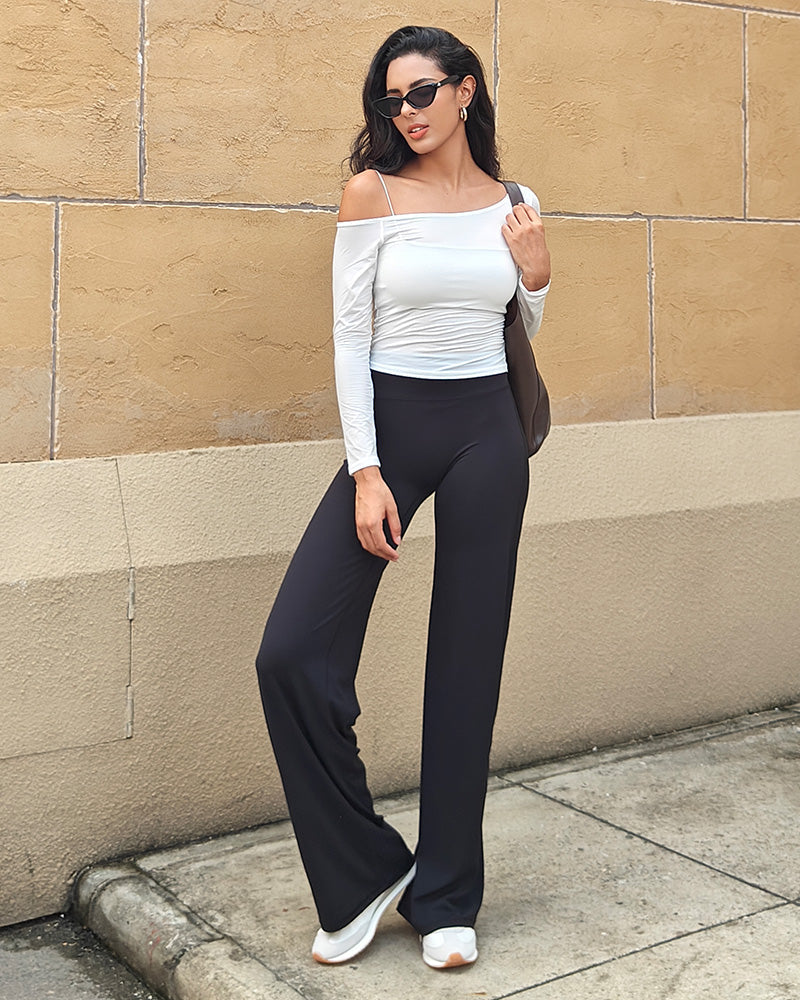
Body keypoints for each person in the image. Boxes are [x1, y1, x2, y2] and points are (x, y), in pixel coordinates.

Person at [256, 24, 551, 970]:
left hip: (487, 435)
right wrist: (366, 470)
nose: (406, 113)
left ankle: (448, 895)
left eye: (422, 93)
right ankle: (363, 872)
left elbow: (514, 323)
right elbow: (350, 335)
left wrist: (537, 277)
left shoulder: (516, 202)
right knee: (291, 654)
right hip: (393, 427)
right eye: (392, 100)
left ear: (465, 90)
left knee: (468, 665)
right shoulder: (371, 194)